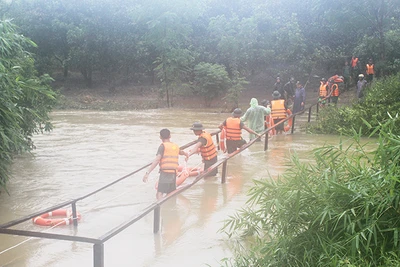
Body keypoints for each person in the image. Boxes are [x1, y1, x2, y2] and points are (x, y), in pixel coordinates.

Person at [143, 128, 189, 200]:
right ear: (170, 136)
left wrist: (147, 173)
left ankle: (160, 208)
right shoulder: (175, 146)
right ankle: (171, 208)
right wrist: (187, 154)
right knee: (171, 193)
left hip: (165, 173)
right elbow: (181, 152)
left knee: (159, 193)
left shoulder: (162, 146)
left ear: (160, 137)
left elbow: (157, 160)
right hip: (173, 172)